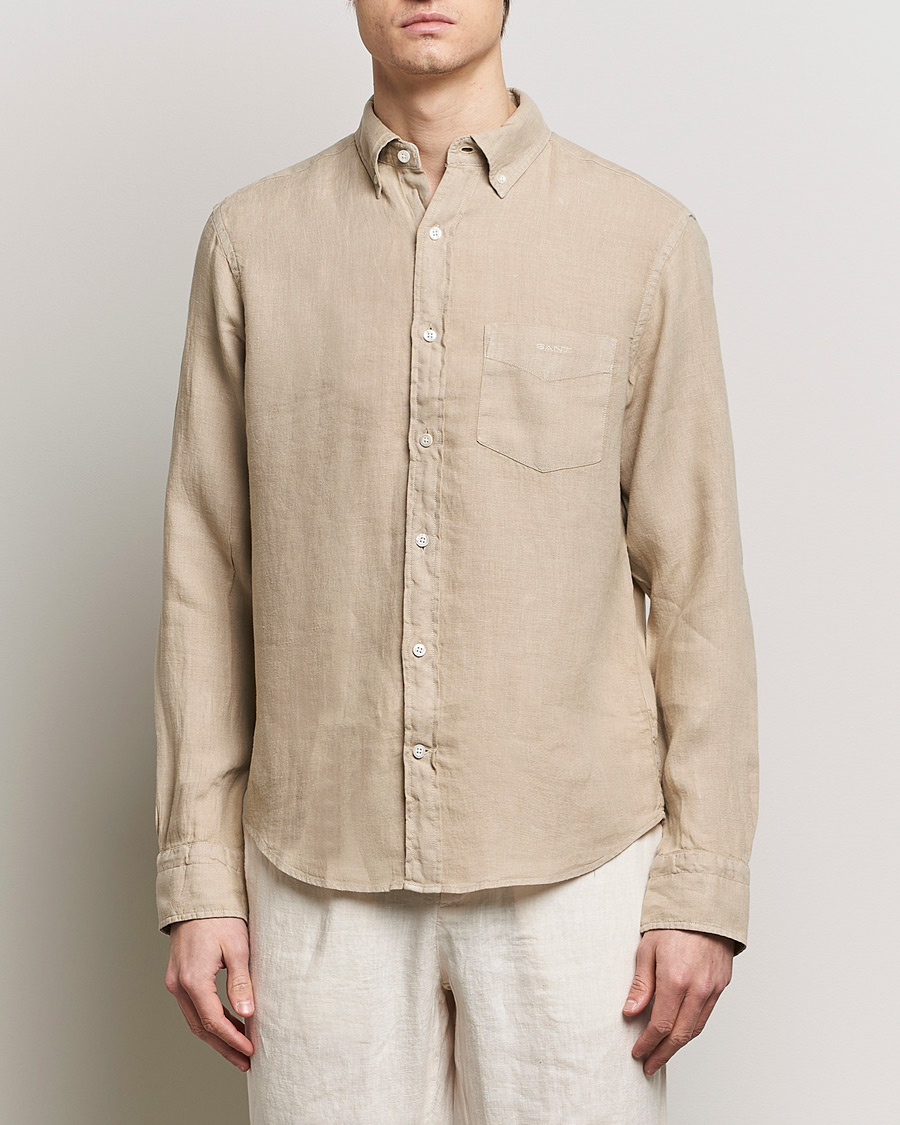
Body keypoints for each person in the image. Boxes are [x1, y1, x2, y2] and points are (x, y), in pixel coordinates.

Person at [154, 1, 759, 1120]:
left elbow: (697, 585)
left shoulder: (641, 239)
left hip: (576, 868)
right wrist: (198, 878)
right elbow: (206, 574)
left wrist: (702, 887)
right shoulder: (252, 243)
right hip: (315, 866)